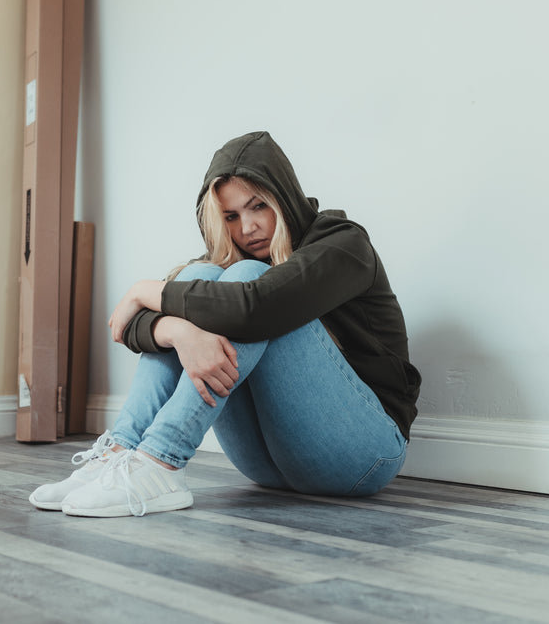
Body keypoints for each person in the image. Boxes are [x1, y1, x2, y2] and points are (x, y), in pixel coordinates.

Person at [29, 131, 421, 517]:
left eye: (258, 207)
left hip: (364, 455)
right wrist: (179, 332)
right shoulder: (223, 266)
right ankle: (119, 453)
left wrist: (143, 291)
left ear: (283, 198)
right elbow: (127, 328)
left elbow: (252, 308)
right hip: (267, 465)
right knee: (204, 276)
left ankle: (161, 461)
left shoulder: (342, 244)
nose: (247, 228)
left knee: (244, 280)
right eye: (231, 216)